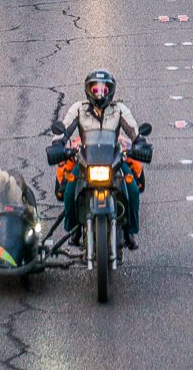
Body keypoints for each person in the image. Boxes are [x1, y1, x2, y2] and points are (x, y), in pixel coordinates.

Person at [51, 70, 146, 250]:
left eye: (104, 89)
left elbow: (133, 129)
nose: (100, 93)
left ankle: (129, 232)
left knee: (132, 190)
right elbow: (65, 128)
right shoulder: (78, 108)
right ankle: (75, 230)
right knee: (70, 191)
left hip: (114, 158)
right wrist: (58, 143)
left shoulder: (119, 109)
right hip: (86, 158)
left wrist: (140, 142)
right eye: (96, 89)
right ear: (88, 91)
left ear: (111, 90)